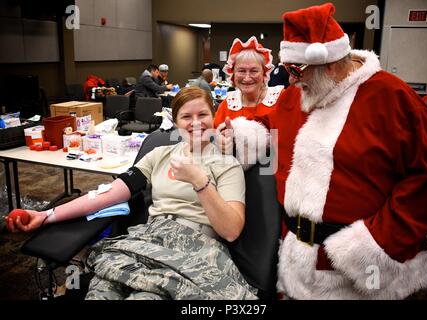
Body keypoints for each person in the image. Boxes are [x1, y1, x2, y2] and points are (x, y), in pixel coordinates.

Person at [216, 3, 427, 299]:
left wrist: (375, 246)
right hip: (295, 263)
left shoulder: (394, 99)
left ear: (330, 62)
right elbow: (268, 123)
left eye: (296, 69)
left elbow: (426, 179)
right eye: (288, 69)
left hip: (360, 271)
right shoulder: (299, 95)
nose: (290, 79)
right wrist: (236, 134)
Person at [6, 86, 257, 300]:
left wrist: (200, 182)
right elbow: (107, 194)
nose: (195, 123)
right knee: (100, 289)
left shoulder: (226, 164)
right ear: (176, 122)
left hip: (195, 249)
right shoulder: (160, 155)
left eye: (203, 114)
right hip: (148, 242)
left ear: (213, 117)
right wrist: (46, 214)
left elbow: (231, 230)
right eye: (186, 117)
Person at [213, 36, 285, 127]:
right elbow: (213, 137)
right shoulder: (227, 105)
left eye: (254, 71)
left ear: (264, 73)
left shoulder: (281, 99)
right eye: (241, 71)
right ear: (233, 74)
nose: (247, 78)